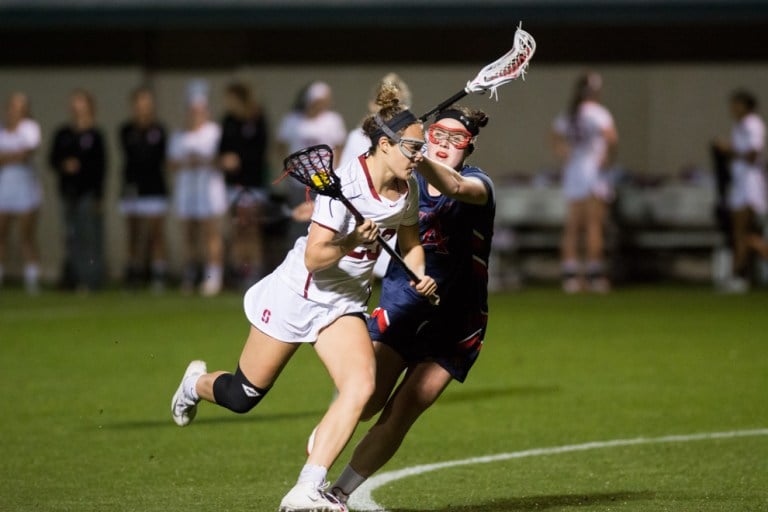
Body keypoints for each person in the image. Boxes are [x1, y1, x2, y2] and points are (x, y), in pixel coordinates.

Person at [170, 85, 437, 512]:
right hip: (300, 293)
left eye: (421, 149)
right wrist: (352, 239)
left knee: (361, 385)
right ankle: (194, 384)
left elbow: (411, 242)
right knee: (243, 396)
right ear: (385, 145)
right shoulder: (346, 184)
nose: (419, 156)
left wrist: (419, 274)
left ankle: (306, 488)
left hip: (344, 303)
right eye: (412, 147)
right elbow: (314, 258)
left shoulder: (408, 190)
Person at [327, 106, 495, 506]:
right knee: (365, 401)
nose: (444, 146)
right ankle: (314, 471)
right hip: (403, 309)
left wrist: (415, 153)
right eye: (438, 135)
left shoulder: (478, 184)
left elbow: (454, 187)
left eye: (457, 140)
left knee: (404, 410)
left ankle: (337, 494)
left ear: (468, 149)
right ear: (427, 135)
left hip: (457, 322)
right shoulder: (403, 182)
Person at [339, 73, 412, 278]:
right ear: (373, 105)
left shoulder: (411, 138)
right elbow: (345, 179)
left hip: (397, 214)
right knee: (361, 275)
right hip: (363, 215)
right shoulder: (358, 138)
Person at [551, 71, 618, 293]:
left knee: (573, 225)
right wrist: (607, 156)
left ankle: (570, 276)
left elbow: (555, 136)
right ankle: (594, 274)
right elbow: (611, 138)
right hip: (592, 170)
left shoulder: (570, 113)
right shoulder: (598, 114)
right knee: (593, 224)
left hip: (574, 171)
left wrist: (565, 153)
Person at [168, 80, 225, 296]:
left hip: (209, 189)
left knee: (211, 232)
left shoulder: (214, 132)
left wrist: (204, 161)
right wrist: (186, 162)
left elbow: (221, 159)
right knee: (189, 233)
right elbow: (171, 163)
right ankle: (190, 274)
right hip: (187, 189)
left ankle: (213, 277)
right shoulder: (179, 135)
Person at [49, 89, 107, 292]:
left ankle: (91, 279)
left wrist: (99, 196)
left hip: (87, 194)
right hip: (68, 192)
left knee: (89, 237)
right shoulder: (63, 134)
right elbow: (53, 160)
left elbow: (101, 168)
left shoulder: (95, 136)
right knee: (70, 237)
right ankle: (72, 277)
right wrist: (65, 165)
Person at [276, 81, 347, 243]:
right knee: (298, 220)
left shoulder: (332, 120)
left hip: (323, 180)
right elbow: (280, 145)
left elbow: (340, 147)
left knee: (322, 220)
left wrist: (336, 170)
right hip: (299, 181)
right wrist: (288, 167)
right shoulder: (292, 120)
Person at [713, 89, 768, 292]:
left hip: (749, 185)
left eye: (737, 104)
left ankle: (738, 276)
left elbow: (753, 154)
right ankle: (738, 276)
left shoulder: (753, 124)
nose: (733, 108)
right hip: (740, 184)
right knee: (742, 234)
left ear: (746, 105)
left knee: (742, 233)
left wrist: (728, 150)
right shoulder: (740, 125)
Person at [218, 81, 270, 288]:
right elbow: (221, 149)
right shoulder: (228, 121)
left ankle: (255, 269)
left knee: (252, 227)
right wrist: (225, 159)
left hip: (254, 183)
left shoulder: (258, 118)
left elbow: (260, 151)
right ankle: (241, 268)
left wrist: (240, 159)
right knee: (238, 227)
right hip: (233, 184)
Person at [118, 87, 169, 291]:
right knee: (133, 232)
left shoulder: (159, 130)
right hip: (133, 187)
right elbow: (133, 155)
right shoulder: (126, 130)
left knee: (156, 233)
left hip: (155, 187)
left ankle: (158, 273)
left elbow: (154, 157)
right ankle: (134, 271)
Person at [0, 92, 42, 294]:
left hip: (26, 188)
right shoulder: (2, 131)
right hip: (4, 187)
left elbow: (26, 154)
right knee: (2, 233)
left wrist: (8, 157)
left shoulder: (30, 129)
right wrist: (13, 155)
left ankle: (32, 278)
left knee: (27, 236)